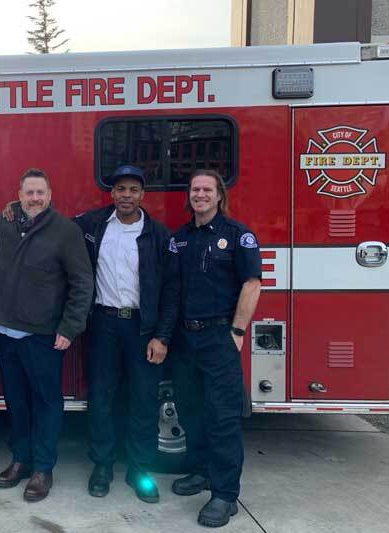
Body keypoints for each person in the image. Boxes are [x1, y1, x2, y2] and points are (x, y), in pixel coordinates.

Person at [72, 164, 178, 503]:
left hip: (143, 328)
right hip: (103, 325)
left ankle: (139, 470)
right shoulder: (92, 225)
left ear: (142, 195)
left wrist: (162, 336)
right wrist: (11, 211)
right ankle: (102, 466)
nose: (126, 196)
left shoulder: (158, 235)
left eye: (133, 190)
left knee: (144, 400)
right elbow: (54, 227)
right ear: (112, 193)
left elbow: (171, 291)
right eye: (120, 189)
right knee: (101, 399)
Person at [0, 168, 93, 502]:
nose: (35, 198)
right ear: (18, 195)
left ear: (49, 195)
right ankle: (21, 460)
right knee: (17, 403)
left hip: (44, 337)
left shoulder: (66, 231)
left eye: (40, 193)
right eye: (29, 192)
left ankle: (43, 469)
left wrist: (69, 328)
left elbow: (82, 283)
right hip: (6, 333)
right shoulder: (1, 225)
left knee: (47, 403)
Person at [169, 169, 262, 528]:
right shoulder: (180, 239)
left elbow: (252, 284)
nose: (200, 195)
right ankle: (201, 471)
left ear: (219, 195)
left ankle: (225, 494)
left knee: (222, 417)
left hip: (219, 337)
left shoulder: (239, 235)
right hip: (185, 339)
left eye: (207, 189)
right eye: (195, 189)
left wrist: (237, 330)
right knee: (191, 411)